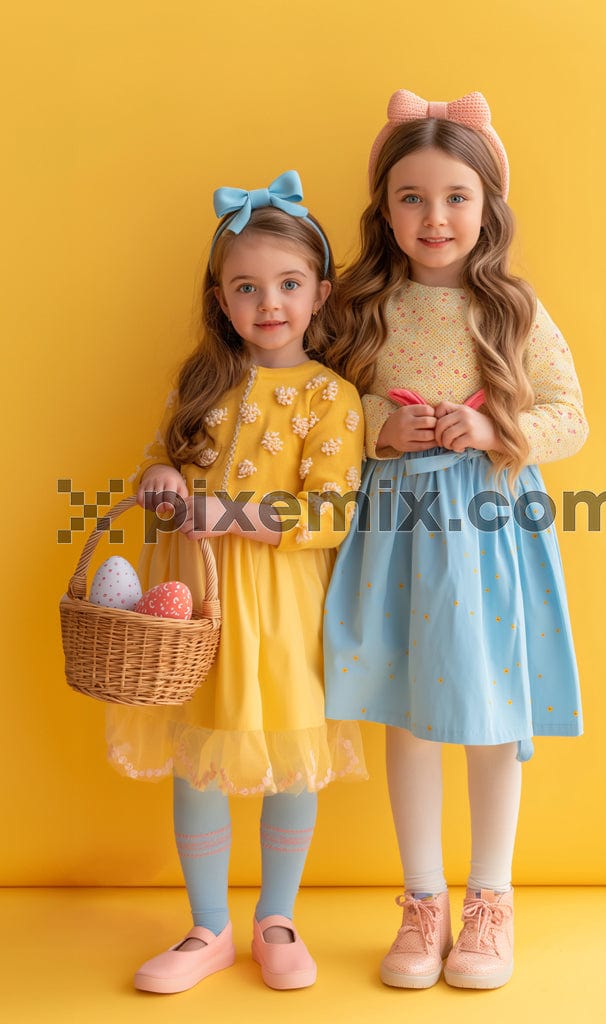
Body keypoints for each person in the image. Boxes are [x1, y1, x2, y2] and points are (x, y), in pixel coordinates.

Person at [323, 91, 588, 991]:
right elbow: (312, 407)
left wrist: (491, 430)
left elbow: (568, 418)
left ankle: (490, 900)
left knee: (490, 710)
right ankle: (422, 899)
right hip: (398, 533)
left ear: (487, 206)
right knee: (410, 709)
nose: (433, 218)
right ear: (383, 208)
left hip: (485, 529)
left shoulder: (510, 308)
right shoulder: (362, 305)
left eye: (455, 197)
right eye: (410, 197)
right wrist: (372, 427)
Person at [106, 171, 366, 994]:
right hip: (200, 605)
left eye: (288, 285)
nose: (269, 304)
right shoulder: (202, 384)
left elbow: (332, 513)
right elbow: (161, 461)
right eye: (246, 287)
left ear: (319, 294)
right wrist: (163, 483)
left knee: (291, 757)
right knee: (200, 760)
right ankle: (208, 927)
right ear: (220, 299)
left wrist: (232, 513)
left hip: (286, 607)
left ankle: (277, 918)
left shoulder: (331, 398)